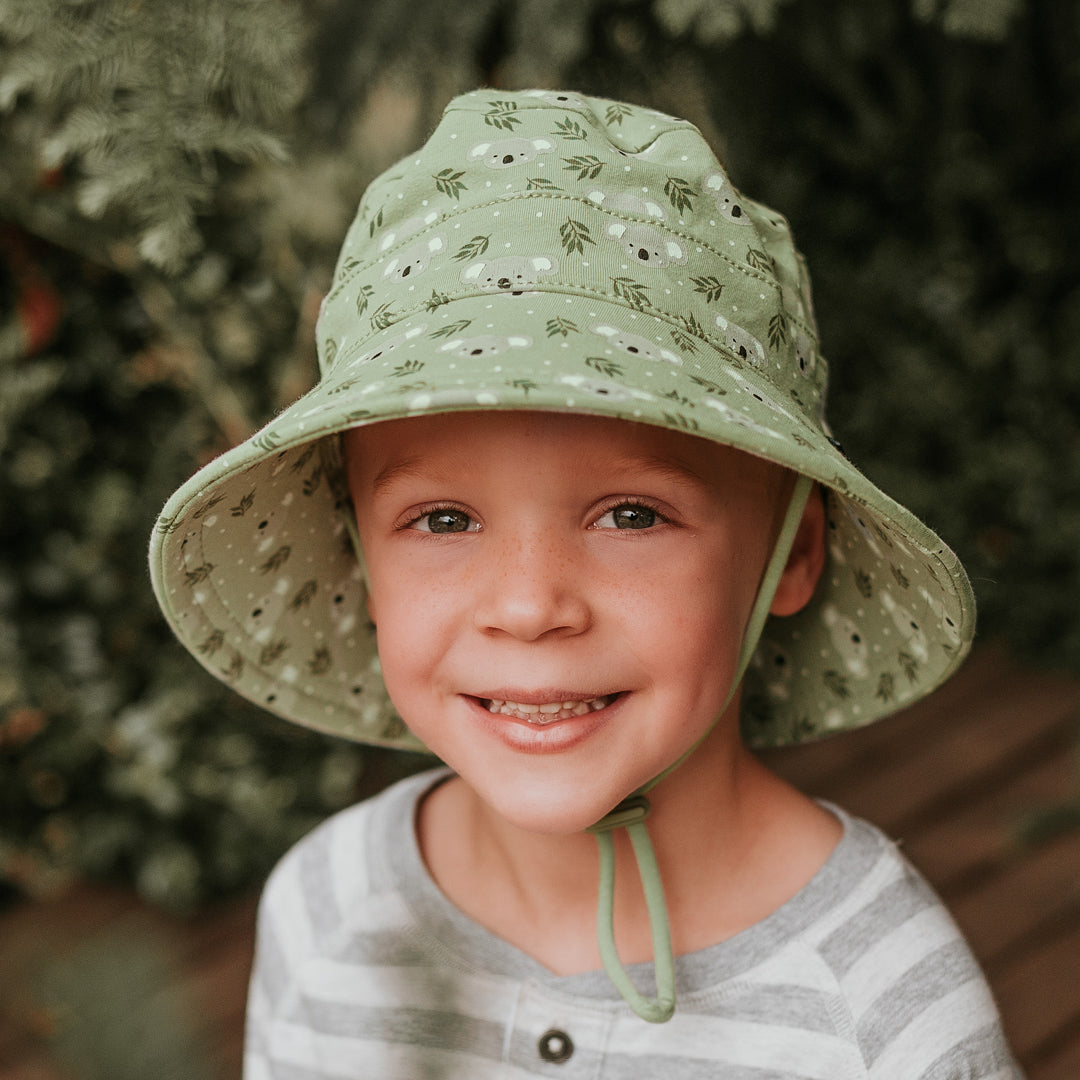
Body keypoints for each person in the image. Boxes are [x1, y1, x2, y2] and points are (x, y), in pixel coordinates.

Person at [150, 88, 1022, 1078]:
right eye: (443, 519)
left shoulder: (882, 1006)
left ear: (795, 555)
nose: (528, 608)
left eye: (632, 515)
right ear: (360, 558)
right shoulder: (330, 910)